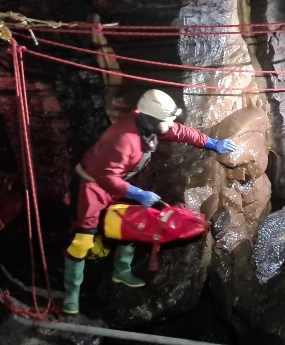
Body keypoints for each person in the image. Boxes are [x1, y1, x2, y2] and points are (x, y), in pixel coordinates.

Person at [62, 89, 238, 314]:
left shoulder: (149, 125)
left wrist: (211, 142)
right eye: (167, 121)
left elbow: (179, 131)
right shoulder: (124, 139)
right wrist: (138, 194)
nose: (170, 124)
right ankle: (71, 297)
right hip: (92, 186)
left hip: (120, 181)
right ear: (150, 119)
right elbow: (106, 178)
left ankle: (121, 271)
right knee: (82, 243)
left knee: (132, 223)